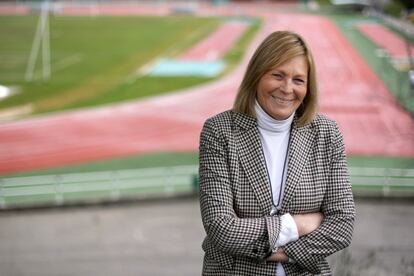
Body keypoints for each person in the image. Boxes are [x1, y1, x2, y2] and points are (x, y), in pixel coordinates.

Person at [198, 30, 355, 275]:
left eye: (298, 80)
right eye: (277, 75)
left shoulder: (326, 133)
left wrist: (286, 253)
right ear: (257, 76)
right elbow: (222, 229)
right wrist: (296, 224)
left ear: (308, 87)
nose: (287, 88)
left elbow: (342, 225)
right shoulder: (219, 132)